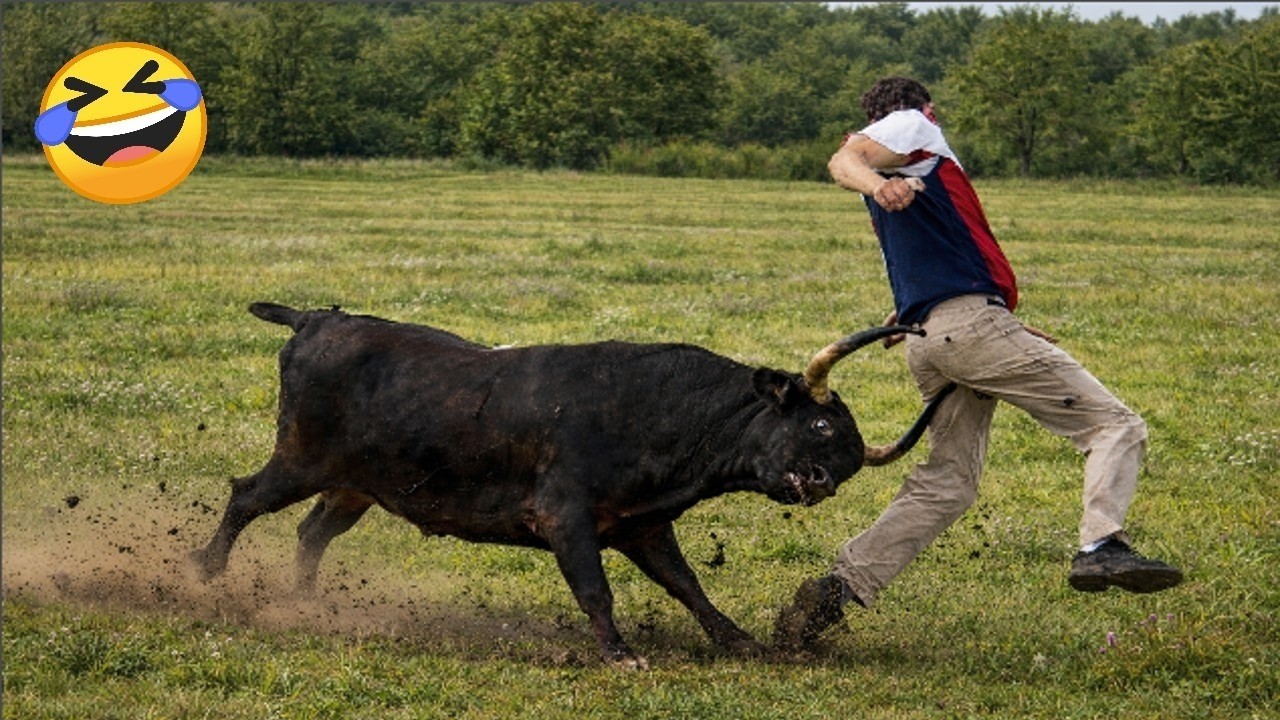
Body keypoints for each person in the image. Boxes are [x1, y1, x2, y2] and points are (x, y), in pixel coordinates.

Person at [773, 77, 1182, 651]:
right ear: (928, 110)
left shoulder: (914, 170)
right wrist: (876, 184)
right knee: (1114, 425)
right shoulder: (914, 128)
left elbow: (927, 249)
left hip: (933, 336)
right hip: (966, 332)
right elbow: (844, 160)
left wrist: (974, 316)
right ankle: (1101, 546)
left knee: (949, 484)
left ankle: (839, 588)